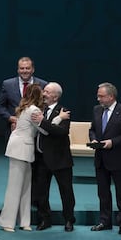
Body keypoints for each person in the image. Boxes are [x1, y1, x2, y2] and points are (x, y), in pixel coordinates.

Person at [0, 84, 68, 232]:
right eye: (42, 92)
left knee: (25, 188)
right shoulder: (34, 110)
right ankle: (7, 222)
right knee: (15, 187)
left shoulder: (25, 108)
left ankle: (25, 222)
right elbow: (44, 129)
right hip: (20, 150)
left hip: (24, 150)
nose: (44, 94)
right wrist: (59, 118)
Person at [89, 82, 121, 235]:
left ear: (111, 96)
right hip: (101, 158)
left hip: (118, 158)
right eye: (98, 96)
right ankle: (105, 221)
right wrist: (94, 139)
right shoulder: (97, 110)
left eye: (101, 96)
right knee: (103, 192)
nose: (98, 99)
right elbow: (93, 130)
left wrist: (112, 143)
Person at [31, 82, 76, 232]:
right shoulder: (39, 110)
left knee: (66, 191)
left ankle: (69, 219)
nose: (44, 94)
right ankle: (45, 219)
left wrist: (43, 122)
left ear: (56, 96)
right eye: (44, 91)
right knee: (41, 192)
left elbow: (60, 132)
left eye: (47, 92)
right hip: (41, 159)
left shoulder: (65, 111)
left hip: (60, 160)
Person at [0, 56, 47, 132]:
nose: (24, 71)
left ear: (33, 70)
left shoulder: (42, 84)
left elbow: (46, 105)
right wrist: (10, 118)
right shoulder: (7, 84)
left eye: (27, 68)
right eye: (22, 68)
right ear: (18, 70)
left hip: (36, 129)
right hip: (14, 128)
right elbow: (1, 106)